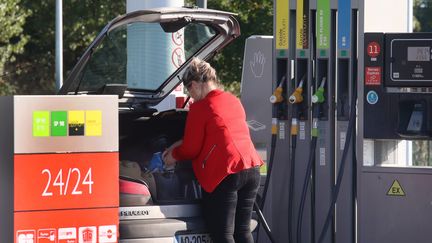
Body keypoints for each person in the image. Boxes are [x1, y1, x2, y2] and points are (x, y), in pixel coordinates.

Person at [163, 57, 263, 243]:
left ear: (193, 84)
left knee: (223, 234)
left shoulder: (201, 107)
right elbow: (218, 133)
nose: (190, 96)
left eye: (189, 90)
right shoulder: (233, 100)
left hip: (226, 172)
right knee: (242, 231)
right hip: (251, 168)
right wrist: (179, 144)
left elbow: (191, 149)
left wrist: (173, 156)